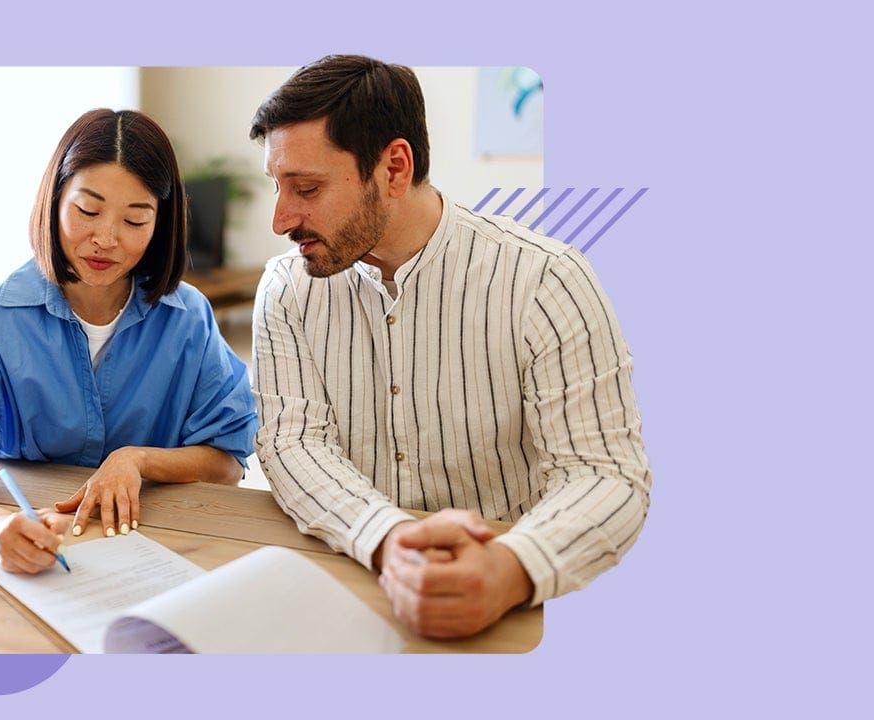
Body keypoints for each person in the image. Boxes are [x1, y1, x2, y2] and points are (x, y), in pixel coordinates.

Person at [249, 56, 652, 638]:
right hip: (353, 584)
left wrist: (511, 569)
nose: (280, 218)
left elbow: (608, 475)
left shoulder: (545, 281)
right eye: (278, 186)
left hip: (507, 608)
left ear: (394, 167)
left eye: (306, 188)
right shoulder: (287, 290)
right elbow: (292, 443)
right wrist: (386, 538)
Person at [0, 109, 257, 575]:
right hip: (36, 541)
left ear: (161, 224)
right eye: (88, 211)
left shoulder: (188, 316)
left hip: (160, 547)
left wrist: (135, 460)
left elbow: (226, 461)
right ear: (54, 200)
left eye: (135, 221)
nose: (106, 239)